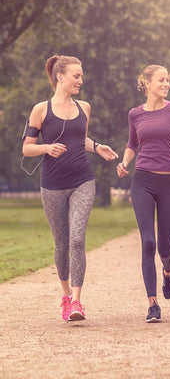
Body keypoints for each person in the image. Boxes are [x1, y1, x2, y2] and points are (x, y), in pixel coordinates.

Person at [22, 54, 118, 322]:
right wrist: (46, 147)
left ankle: (77, 301)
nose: (80, 80)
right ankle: (65, 297)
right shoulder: (41, 110)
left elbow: (80, 139)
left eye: (81, 75)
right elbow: (27, 148)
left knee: (77, 239)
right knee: (61, 243)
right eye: (76, 76)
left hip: (82, 180)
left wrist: (97, 147)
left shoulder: (84, 107)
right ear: (60, 77)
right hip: (52, 185)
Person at [116, 65, 170, 323]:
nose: (166, 84)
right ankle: (152, 304)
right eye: (161, 80)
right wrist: (125, 163)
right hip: (143, 182)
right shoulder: (135, 114)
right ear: (147, 83)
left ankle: (168, 272)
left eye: (168, 80)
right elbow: (132, 144)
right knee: (148, 242)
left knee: (165, 247)